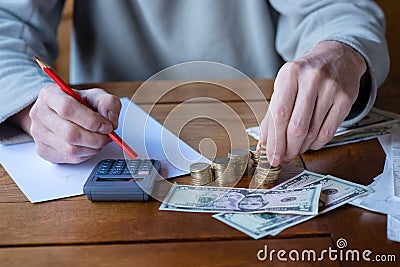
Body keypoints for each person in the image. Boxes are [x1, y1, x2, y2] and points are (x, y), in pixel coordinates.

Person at [0, 0, 389, 165]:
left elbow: (333, 8)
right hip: (106, 131)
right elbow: (7, 24)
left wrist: (341, 52)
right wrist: (32, 107)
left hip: (264, 117)